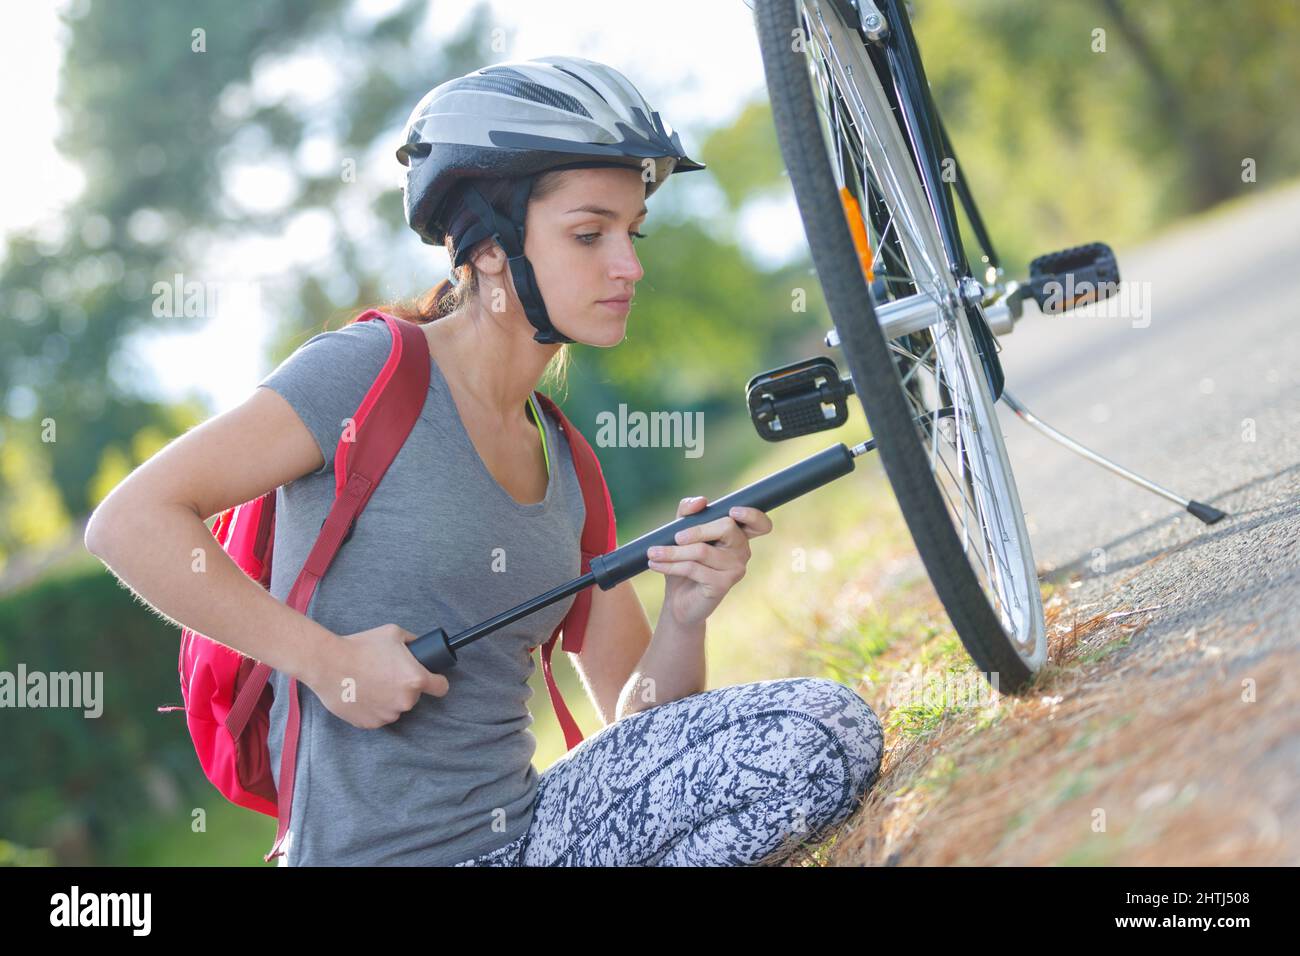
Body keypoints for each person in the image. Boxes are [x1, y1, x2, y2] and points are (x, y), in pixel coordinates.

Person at [86, 55, 883, 867]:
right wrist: (327, 663)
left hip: (525, 838)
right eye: (589, 233)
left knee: (820, 734)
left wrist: (685, 611)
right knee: (820, 731)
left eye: (631, 232)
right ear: (492, 248)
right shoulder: (368, 374)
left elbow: (642, 726)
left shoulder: (567, 460)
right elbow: (129, 522)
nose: (629, 264)